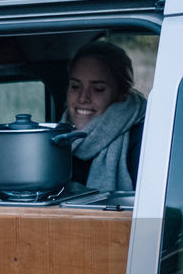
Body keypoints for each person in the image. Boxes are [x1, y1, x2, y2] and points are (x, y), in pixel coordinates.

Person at [63, 40, 146, 191]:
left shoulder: (142, 140)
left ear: (121, 94)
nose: (83, 98)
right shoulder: (57, 137)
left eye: (98, 89)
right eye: (75, 87)